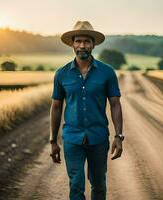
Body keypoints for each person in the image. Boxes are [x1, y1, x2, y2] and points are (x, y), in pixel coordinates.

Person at [50, 21, 124, 200]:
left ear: (93, 44)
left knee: (99, 184)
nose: (82, 45)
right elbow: (56, 106)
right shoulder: (62, 74)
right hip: (72, 139)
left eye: (86, 42)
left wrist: (118, 136)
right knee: (76, 184)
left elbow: (115, 104)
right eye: (78, 41)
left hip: (98, 138)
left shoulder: (107, 73)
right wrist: (53, 140)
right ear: (72, 44)